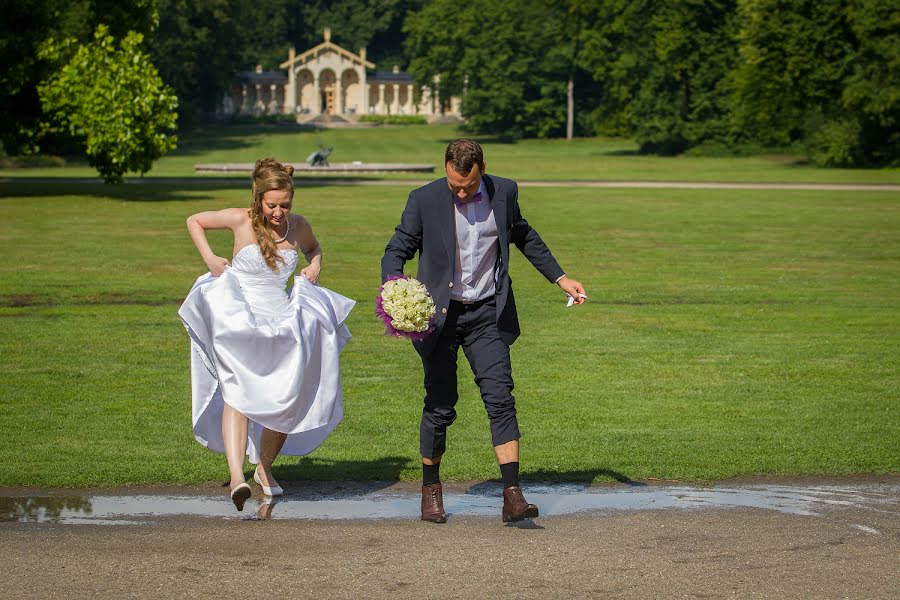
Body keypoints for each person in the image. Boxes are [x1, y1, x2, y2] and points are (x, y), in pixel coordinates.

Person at [381, 139, 587, 523]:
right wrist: (394, 290)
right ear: (445, 169)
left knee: (500, 397)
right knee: (441, 406)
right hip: (440, 319)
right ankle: (431, 488)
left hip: (487, 314)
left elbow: (523, 235)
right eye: (455, 185)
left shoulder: (505, 191)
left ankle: (512, 495)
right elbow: (397, 249)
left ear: (482, 169)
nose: (461, 191)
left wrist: (560, 277)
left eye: (469, 186)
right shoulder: (423, 199)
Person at [179, 158, 355, 511]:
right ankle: (236, 478)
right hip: (239, 319)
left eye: (284, 205)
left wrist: (314, 265)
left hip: (282, 321)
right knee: (237, 393)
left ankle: (264, 468)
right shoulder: (239, 219)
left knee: (286, 397)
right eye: (271, 205)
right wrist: (211, 258)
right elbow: (194, 220)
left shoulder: (299, 226)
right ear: (258, 198)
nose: (278, 212)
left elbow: (314, 249)